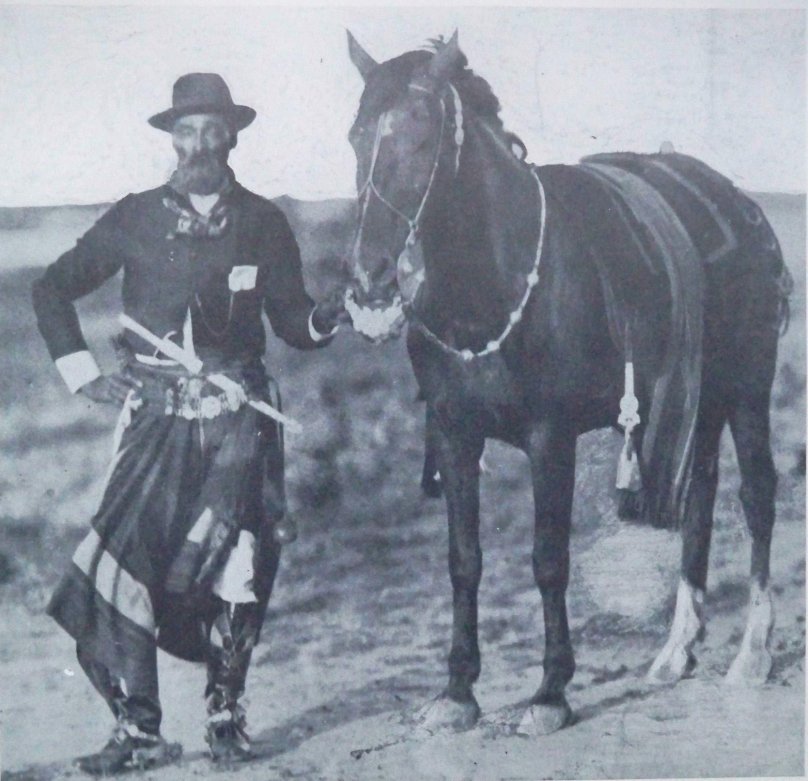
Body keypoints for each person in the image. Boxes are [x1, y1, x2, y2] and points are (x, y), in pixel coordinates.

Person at [32, 72, 346, 772]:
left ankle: (225, 715)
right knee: (116, 568)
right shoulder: (135, 216)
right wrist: (83, 373)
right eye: (185, 130)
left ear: (231, 136)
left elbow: (292, 321)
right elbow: (51, 286)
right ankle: (140, 730)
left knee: (238, 564)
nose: (198, 143)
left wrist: (329, 316)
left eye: (211, 130)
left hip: (240, 423)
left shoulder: (263, 221)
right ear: (171, 139)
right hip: (154, 422)